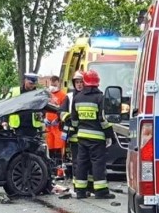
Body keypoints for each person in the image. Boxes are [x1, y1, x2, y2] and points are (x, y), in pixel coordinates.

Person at [70, 69, 115, 199]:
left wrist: (77, 129)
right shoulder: (100, 98)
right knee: (97, 163)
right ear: (97, 83)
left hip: (82, 136)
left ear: (84, 82)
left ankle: (80, 191)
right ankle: (101, 191)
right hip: (97, 137)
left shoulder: (77, 97)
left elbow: (74, 119)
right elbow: (103, 119)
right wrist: (109, 134)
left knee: (82, 163)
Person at [1, 72, 44, 137]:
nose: (32, 86)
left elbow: (44, 107)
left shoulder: (38, 93)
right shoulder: (14, 92)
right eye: (30, 83)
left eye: (34, 84)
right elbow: (5, 106)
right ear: (25, 80)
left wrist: (42, 113)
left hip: (33, 127)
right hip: (18, 127)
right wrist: (4, 120)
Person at [43, 75, 66, 162]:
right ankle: (52, 168)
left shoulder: (63, 95)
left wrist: (58, 120)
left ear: (58, 83)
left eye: (54, 84)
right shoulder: (47, 95)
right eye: (51, 83)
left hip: (58, 127)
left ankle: (59, 168)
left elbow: (64, 110)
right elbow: (43, 108)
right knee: (50, 148)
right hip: (49, 127)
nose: (53, 86)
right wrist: (44, 118)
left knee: (59, 148)